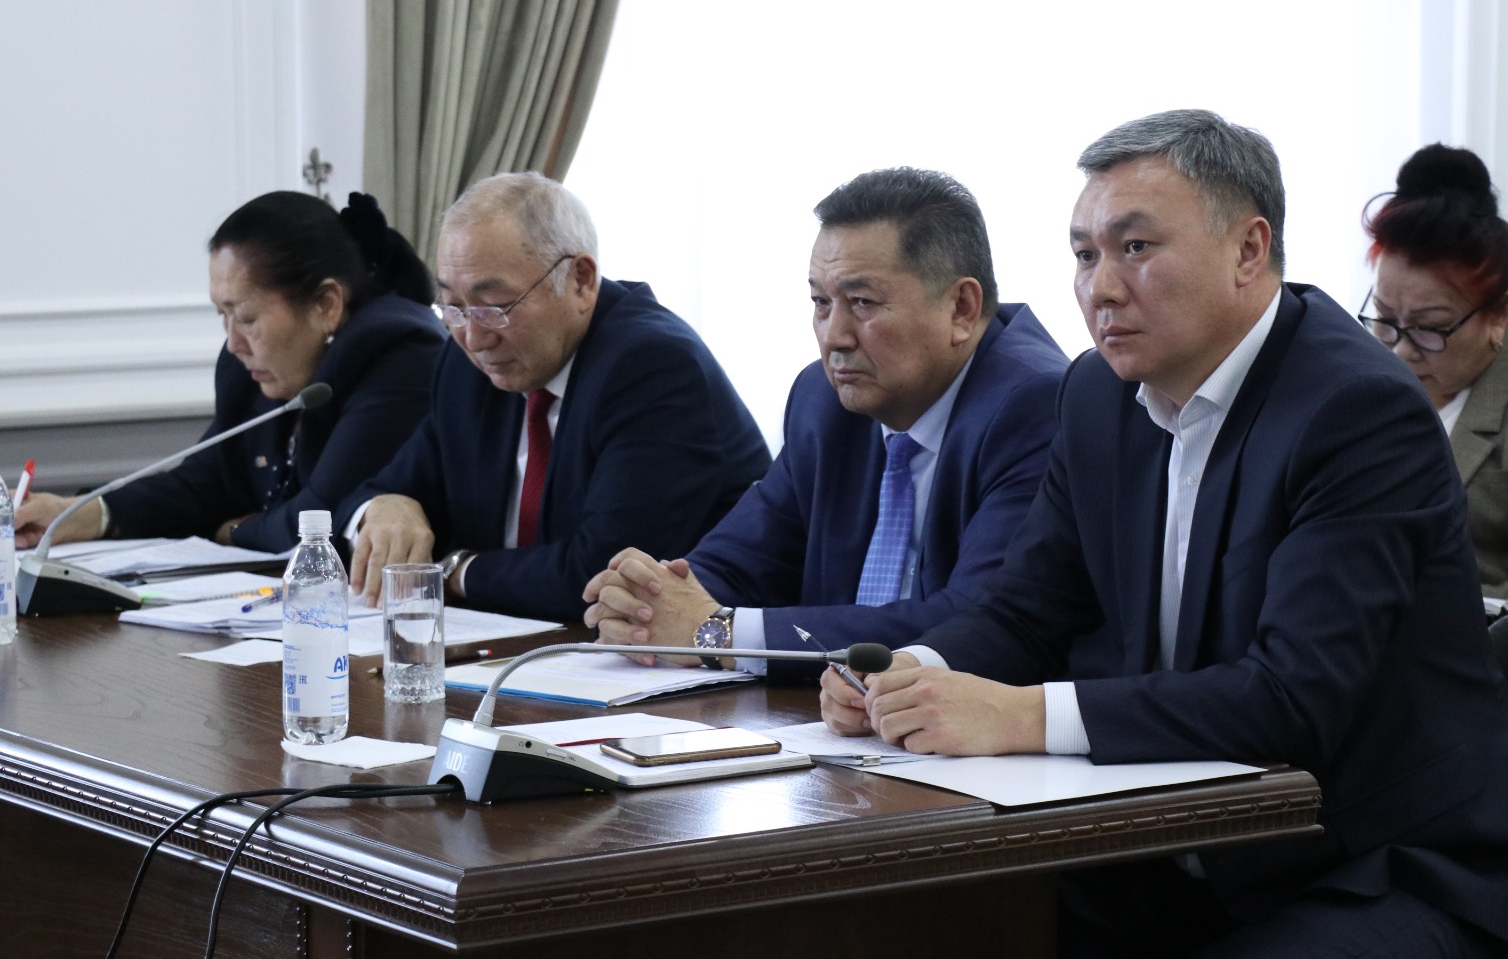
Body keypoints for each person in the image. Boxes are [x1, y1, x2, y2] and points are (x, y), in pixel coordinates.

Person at [820, 112, 1508, 958]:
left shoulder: (1356, 410)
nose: (1100, 287)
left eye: (1135, 248)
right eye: (1084, 254)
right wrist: (915, 673)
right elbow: (1027, 610)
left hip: (1388, 865)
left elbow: (1292, 699)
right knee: (919, 921)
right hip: (1175, 852)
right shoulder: (1095, 396)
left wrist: (1019, 714)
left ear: (1249, 250)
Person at [581, 167, 1068, 683]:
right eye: (821, 302)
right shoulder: (824, 400)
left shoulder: (1035, 405)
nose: (834, 336)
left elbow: (977, 621)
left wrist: (717, 633)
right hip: (835, 713)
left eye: (862, 302)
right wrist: (649, 603)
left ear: (962, 309)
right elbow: (741, 560)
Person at [339, 171, 770, 622]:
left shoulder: (654, 366)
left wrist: (452, 570)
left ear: (581, 280)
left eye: (494, 307)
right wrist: (385, 507)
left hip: (672, 654)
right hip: (517, 643)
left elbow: (600, 576)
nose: (473, 337)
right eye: (453, 307)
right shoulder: (467, 368)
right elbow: (377, 489)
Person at [16, 191, 445, 554]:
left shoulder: (399, 355)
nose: (234, 342)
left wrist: (234, 531)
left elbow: (319, 521)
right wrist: (79, 514)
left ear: (326, 305)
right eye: (223, 315)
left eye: (247, 317)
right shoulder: (252, 369)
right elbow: (202, 484)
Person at [1360, 143, 1508, 597]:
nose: (1401, 350)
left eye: (1429, 328)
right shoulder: (1353, 382)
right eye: (1385, 318)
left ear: (1500, 311)